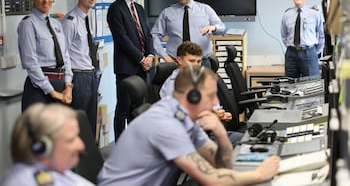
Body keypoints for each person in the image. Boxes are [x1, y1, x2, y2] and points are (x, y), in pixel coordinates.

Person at [97, 66, 280, 185]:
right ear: (192, 97)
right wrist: (259, 174)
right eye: (211, 96)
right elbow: (211, 178)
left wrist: (221, 133)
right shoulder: (166, 124)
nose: (216, 101)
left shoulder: (184, 119)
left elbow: (222, 165)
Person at [160, 41, 242, 145]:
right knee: (244, 146)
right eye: (192, 61)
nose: (196, 65)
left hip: (207, 132)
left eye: (198, 62)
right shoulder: (173, 86)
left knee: (249, 141)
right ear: (179, 60)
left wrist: (221, 114)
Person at [107, 0, 155, 141]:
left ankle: (136, 143)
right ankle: (120, 146)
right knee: (123, 109)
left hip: (142, 69)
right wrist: (141, 59)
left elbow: (148, 35)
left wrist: (150, 55)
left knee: (138, 109)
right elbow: (122, 39)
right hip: (126, 69)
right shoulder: (115, 8)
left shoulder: (139, 9)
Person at [0, 103, 93, 186]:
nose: (81, 146)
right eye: (71, 140)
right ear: (41, 146)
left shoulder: (58, 170)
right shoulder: (25, 182)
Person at [18, 0, 73, 111]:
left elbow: (66, 57)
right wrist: (52, 92)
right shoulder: (28, 24)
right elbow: (30, 63)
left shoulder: (56, 24)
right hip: (39, 88)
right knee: (39, 131)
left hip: (61, 86)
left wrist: (68, 86)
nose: (46, 0)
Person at [151, 0, 226, 68]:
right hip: (176, 63)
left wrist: (213, 27)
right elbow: (154, 35)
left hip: (202, 62)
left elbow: (222, 28)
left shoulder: (205, 9)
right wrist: (165, 56)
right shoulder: (167, 13)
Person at [61, 0, 98, 137]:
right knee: (77, 124)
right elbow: (63, 53)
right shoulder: (70, 21)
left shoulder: (87, 18)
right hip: (78, 76)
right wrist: (68, 82)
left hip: (90, 74)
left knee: (89, 124)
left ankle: (89, 160)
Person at [281, 0, 325, 78]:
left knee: (311, 84)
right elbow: (284, 35)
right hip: (291, 54)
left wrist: (314, 51)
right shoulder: (287, 14)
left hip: (309, 52)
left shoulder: (315, 14)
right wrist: (292, 48)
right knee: (289, 84)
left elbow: (321, 35)